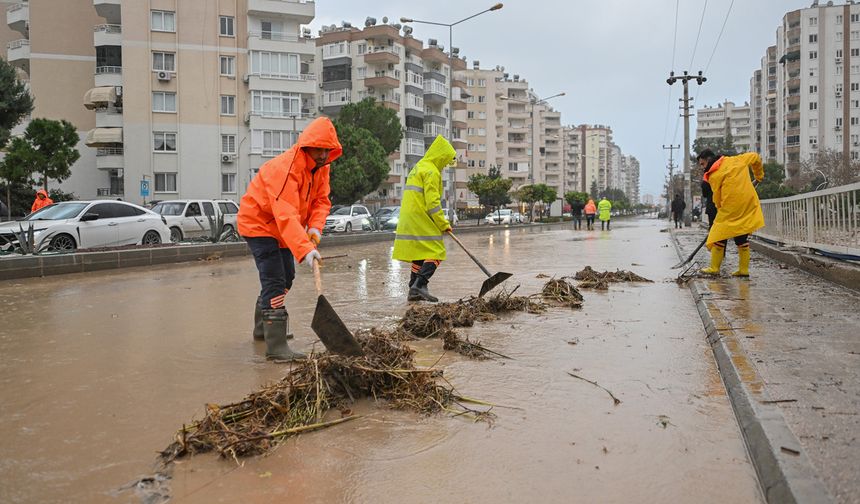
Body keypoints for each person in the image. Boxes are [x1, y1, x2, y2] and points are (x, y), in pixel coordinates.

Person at [238, 116, 342, 361]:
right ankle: (276, 347)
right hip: (260, 224)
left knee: (288, 277)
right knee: (274, 278)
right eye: (319, 149)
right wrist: (305, 250)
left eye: (327, 150)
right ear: (307, 146)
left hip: (284, 229)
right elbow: (285, 213)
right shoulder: (285, 169)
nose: (323, 155)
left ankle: (263, 329)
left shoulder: (321, 169)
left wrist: (315, 229)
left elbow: (321, 201)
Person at [392, 135, 455, 303]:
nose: (446, 164)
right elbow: (433, 202)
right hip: (420, 216)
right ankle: (420, 284)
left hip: (409, 216)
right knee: (437, 251)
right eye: (447, 160)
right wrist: (443, 224)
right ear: (441, 156)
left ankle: (413, 287)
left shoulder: (419, 167)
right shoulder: (432, 171)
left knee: (420, 253)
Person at [696, 148, 765, 277]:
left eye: (702, 164)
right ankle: (743, 270)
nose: (702, 167)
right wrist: (758, 176)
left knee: (718, 235)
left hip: (730, 207)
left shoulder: (713, 175)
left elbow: (717, 195)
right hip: (748, 203)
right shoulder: (738, 159)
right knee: (742, 236)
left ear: (709, 160)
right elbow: (756, 157)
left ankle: (714, 267)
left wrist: (719, 207)